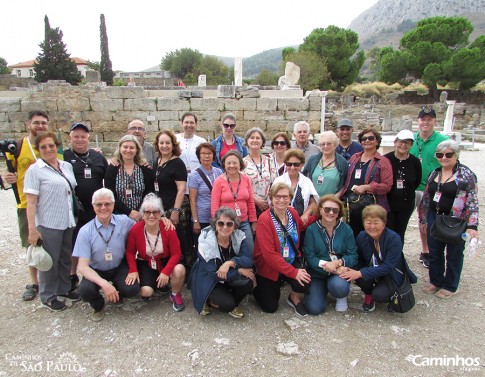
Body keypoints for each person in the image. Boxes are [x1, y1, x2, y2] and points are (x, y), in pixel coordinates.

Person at [3, 110, 60, 301]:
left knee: (51, 243)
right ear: (29, 124)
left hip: (50, 204)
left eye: (43, 123)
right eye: (37, 123)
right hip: (27, 203)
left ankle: (52, 279)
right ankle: (34, 282)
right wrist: (6, 178)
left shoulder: (51, 146)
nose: (40, 126)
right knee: (32, 242)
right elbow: (9, 172)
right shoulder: (19, 146)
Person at [24, 132, 80, 311]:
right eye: (43, 147)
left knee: (64, 258)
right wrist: (32, 228)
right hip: (49, 223)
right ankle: (47, 296)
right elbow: (31, 201)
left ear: (57, 146)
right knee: (49, 261)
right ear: (38, 149)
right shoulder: (35, 170)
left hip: (67, 220)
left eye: (51, 146)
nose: (48, 149)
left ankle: (63, 289)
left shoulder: (65, 166)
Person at [419, 140, 479, 299]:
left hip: (455, 220)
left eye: (448, 154)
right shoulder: (435, 173)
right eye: (440, 155)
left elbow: (472, 201)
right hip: (435, 216)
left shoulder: (466, 175)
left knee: (454, 253)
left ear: (456, 155)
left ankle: (451, 285)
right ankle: (436, 280)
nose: (444, 157)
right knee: (435, 250)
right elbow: (426, 197)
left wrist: (473, 225)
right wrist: (424, 219)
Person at [73, 188, 139, 321]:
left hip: (119, 265)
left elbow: (144, 227)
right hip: (96, 269)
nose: (103, 208)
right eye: (99, 204)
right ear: (93, 206)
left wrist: (163, 221)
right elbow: (83, 266)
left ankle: (117, 293)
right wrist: (104, 285)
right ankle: (98, 305)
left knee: (132, 289)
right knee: (85, 292)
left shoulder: (124, 221)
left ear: (113, 205)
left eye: (107, 204)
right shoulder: (85, 231)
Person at [253, 182, 315, 316]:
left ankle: (293, 296)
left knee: (304, 281)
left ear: (290, 198)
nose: (281, 200)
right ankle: (258, 286)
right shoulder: (265, 219)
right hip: (269, 265)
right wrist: (293, 272)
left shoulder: (291, 212)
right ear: (271, 197)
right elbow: (269, 255)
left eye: (285, 197)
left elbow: (301, 226)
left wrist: (319, 217)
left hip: (290, 258)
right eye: (277, 196)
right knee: (270, 307)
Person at [340, 205, 417, 312]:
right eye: (368, 222)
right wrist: (350, 269)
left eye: (376, 222)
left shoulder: (393, 239)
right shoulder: (362, 236)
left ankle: (391, 296)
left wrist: (360, 273)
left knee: (379, 294)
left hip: (390, 274)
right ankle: (368, 294)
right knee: (358, 275)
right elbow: (358, 258)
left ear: (384, 223)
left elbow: (388, 266)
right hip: (372, 269)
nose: (372, 226)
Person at [64, 122, 108, 291]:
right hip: (74, 209)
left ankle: (96, 271)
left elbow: (109, 176)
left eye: (83, 136)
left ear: (88, 138)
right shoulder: (64, 157)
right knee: (74, 243)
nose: (80, 139)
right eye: (76, 136)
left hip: (96, 209)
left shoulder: (97, 157)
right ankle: (72, 274)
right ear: (70, 138)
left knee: (96, 241)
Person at [189, 207, 255, 318]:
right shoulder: (206, 242)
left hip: (227, 275)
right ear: (215, 225)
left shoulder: (238, 236)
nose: (225, 227)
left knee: (248, 281)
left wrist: (230, 263)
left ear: (234, 226)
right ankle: (208, 299)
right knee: (227, 305)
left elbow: (248, 260)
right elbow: (213, 275)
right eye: (221, 223)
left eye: (229, 224)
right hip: (209, 279)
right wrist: (238, 270)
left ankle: (229, 300)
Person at [125, 194, 186, 311]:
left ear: (161, 213)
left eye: (155, 212)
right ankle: (159, 285)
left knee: (179, 270)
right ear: (142, 214)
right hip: (147, 262)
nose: (151, 216)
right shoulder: (136, 229)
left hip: (165, 260)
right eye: (147, 212)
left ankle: (174, 294)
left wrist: (166, 272)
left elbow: (176, 254)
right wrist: (133, 270)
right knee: (146, 292)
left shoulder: (168, 228)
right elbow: (130, 252)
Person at [302, 195, 358, 314]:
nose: (331, 212)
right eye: (327, 209)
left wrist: (338, 263)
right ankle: (322, 291)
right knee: (314, 309)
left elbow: (353, 255)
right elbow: (310, 256)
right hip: (318, 272)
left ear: (339, 213)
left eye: (335, 210)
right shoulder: (311, 230)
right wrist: (330, 268)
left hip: (339, 271)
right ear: (321, 210)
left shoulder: (346, 229)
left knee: (339, 287)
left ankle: (340, 295)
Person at [410, 107, 449, 268]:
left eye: (429, 119)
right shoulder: (411, 140)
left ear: (434, 121)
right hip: (411, 187)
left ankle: (428, 251)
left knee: (426, 221)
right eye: (422, 119)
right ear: (418, 121)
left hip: (431, 188)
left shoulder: (442, 141)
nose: (425, 122)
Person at [153, 130, 194, 269]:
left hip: (175, 208)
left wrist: (175, 211)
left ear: (173, 145)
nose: (164, 146)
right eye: (161, 143)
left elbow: (181, 189)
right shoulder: (157, 161)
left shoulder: (177, 163)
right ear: (157, 145)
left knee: (179, 241)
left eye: (167, 143)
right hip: (161, 207)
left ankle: (183, 271)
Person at [341, 128, 393, 237]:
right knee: (351, 235)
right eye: (364, 139)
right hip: (351, 205)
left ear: (377, 141)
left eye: (371, 138)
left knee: (370, 235)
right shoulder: (355, 158)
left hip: (372, 207)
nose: (367, 141)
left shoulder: (383, 161)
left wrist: (367, 187)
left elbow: (387, 186)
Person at [211, 150, 257, 254]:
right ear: (224, 165)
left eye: (235, 163)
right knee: (229, 251)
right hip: (225, 224)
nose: (232, 166)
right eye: (228, 163)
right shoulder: (219, 181)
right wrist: (217, 225)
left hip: (243, 222)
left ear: (240, 164)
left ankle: (247, 269)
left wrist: (254, 221)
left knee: (249, 249)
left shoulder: (246, 179)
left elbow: (250, 202)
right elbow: (214, 205)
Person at [384, 130, 422, 245]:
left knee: (401, 231)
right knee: (388, 231)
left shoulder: (415, 162)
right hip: (388, 204)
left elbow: (417, 181)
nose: (404, 145)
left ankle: (398, 258)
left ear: (411, 145)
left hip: (406, 204)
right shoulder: (386, 159)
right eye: (401, 141)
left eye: (407, 142)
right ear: (395, 142)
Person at [105, 135, 153, 222]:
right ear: (120, 148)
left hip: (141, 215)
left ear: (137, 150)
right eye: (125, 147)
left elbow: (149, 193)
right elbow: (110, 194)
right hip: (118, 216)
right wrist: (129, 212)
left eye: (132, 148)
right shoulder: (112, 168)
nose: (128, 150)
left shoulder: (144, 168)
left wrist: (140, 211)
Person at [273, 149, 318, 224]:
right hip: (281, 222)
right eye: (289, 164)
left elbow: (313, 202)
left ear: (302, 164)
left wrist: (305, 215)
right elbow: (272, 202)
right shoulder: (278, 181)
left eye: (296, 164)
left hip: (301, 222)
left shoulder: (307, 182)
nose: (292, 167)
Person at [188, 143, 223, 239]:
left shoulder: (219, 172)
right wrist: (196, 221)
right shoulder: (194, 176)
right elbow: (192, 201)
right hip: (202, 218)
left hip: (218, 216)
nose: (207, 156)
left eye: (209, 153)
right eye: (203, 153)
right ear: (199, 156)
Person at [243, 128, 277, 217]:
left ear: (262, 141)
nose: (255, 140)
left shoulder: (270, 161)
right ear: (247, 141)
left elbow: (275, 183)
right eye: (252, 138)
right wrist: (257, 201)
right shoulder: (242, 163)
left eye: (258, 138)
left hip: (269, 205)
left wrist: (269, 201)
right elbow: (242, 186)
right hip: (251, 206)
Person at [303, 131, 348, 197]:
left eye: (329, 144)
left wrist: (335, 199)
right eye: (323, 144)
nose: (325, 146)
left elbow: (345, 184)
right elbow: (305, 177)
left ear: (335, 145)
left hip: (332, 202)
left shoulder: (342, 162)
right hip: (312, 201)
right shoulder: (313, 160)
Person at [175, 112, 207, 194]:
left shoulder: (202, 141)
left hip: (197, 184)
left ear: (196, 124)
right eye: (186, 122)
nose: (189, 125)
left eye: (192, 122)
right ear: (181, 123)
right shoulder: (175, 139)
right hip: (178, 184)